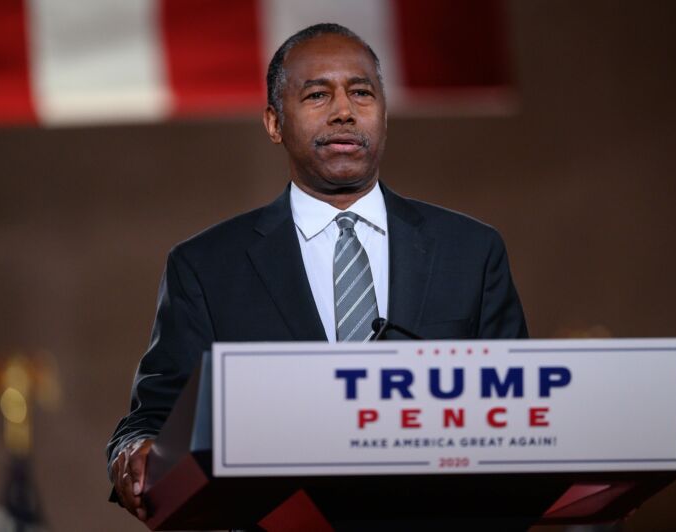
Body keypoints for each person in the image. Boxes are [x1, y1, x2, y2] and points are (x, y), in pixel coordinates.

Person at [107, 23, 528, 522]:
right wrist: (132, 452)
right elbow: (156, 416)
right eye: (317, 94)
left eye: (361, 92)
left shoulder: (471, 251)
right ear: (274, 123)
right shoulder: (205, 267)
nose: (344, 111)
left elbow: (517, 412)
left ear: (385, 115)